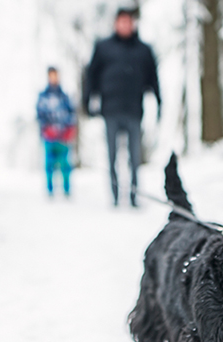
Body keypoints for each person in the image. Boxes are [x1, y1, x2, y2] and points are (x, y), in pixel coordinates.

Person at [83, 7, 160, 207]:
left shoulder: (143, 50)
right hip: (111, 110)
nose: (125, 25)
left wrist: (159, 102)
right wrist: (87, 101)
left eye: (128, 21)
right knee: (112, 156)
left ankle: (134, 195)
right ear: (116, 23)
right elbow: (91, 76)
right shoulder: (103, 47)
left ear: (133, 24)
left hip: (134, 110)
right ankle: (115, 195)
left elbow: (153, 77)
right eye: (122, 21)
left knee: (135, 157)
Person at [37, 67, 77, 198]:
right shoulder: (43, 97)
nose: (54, 78)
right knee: (49, 165)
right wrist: (46, 129)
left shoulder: (64, 97)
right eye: (51, 76)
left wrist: (69, 130)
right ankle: (50, 190)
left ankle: (67, 190)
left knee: (65, 165)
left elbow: (72, 114)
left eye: (55, 75)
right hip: (49, 138)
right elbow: (40, 116)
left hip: (63, 137)